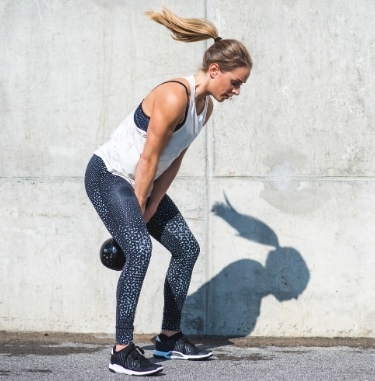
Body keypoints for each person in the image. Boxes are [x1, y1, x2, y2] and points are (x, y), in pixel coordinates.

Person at [84, 7, 252, 376]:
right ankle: (122, 350)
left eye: (241, 85)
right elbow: (147, 160)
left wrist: (152, 205)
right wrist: (138, 213)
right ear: (214, 71)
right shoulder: (175, 96)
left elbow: (172, 160)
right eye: (235, 82)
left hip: (140, 182)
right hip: (109, 175)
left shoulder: (204, 107)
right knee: (139, 249)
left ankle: (169, 337)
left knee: (186, 248)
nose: (237, 91)